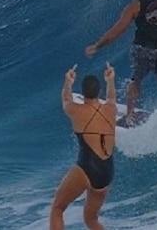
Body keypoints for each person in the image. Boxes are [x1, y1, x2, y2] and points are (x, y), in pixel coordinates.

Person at [85, 0, 157, 125]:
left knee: (136, 81)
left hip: (140, 50)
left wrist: (97, 46)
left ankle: (129, 116)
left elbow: (117, 30)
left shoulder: (134, 6)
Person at [51, 62, 117, 230]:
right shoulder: (111, 109)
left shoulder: (76, 110)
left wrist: (68, 81)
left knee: (57, 209)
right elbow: (111, 98)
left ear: (83, 93)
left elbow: (66, 99)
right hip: (107, 171)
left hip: (87, 167)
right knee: (91, 219)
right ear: (98, 91)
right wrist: (110, 80)